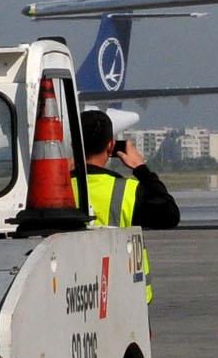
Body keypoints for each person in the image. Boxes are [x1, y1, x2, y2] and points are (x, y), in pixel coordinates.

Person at [76, 110, 179, 302]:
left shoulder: (58, 190)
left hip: (76, 297)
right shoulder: (128, 190)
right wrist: (141, 168)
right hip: (124, 300)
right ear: (111, 145)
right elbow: (170, 215)